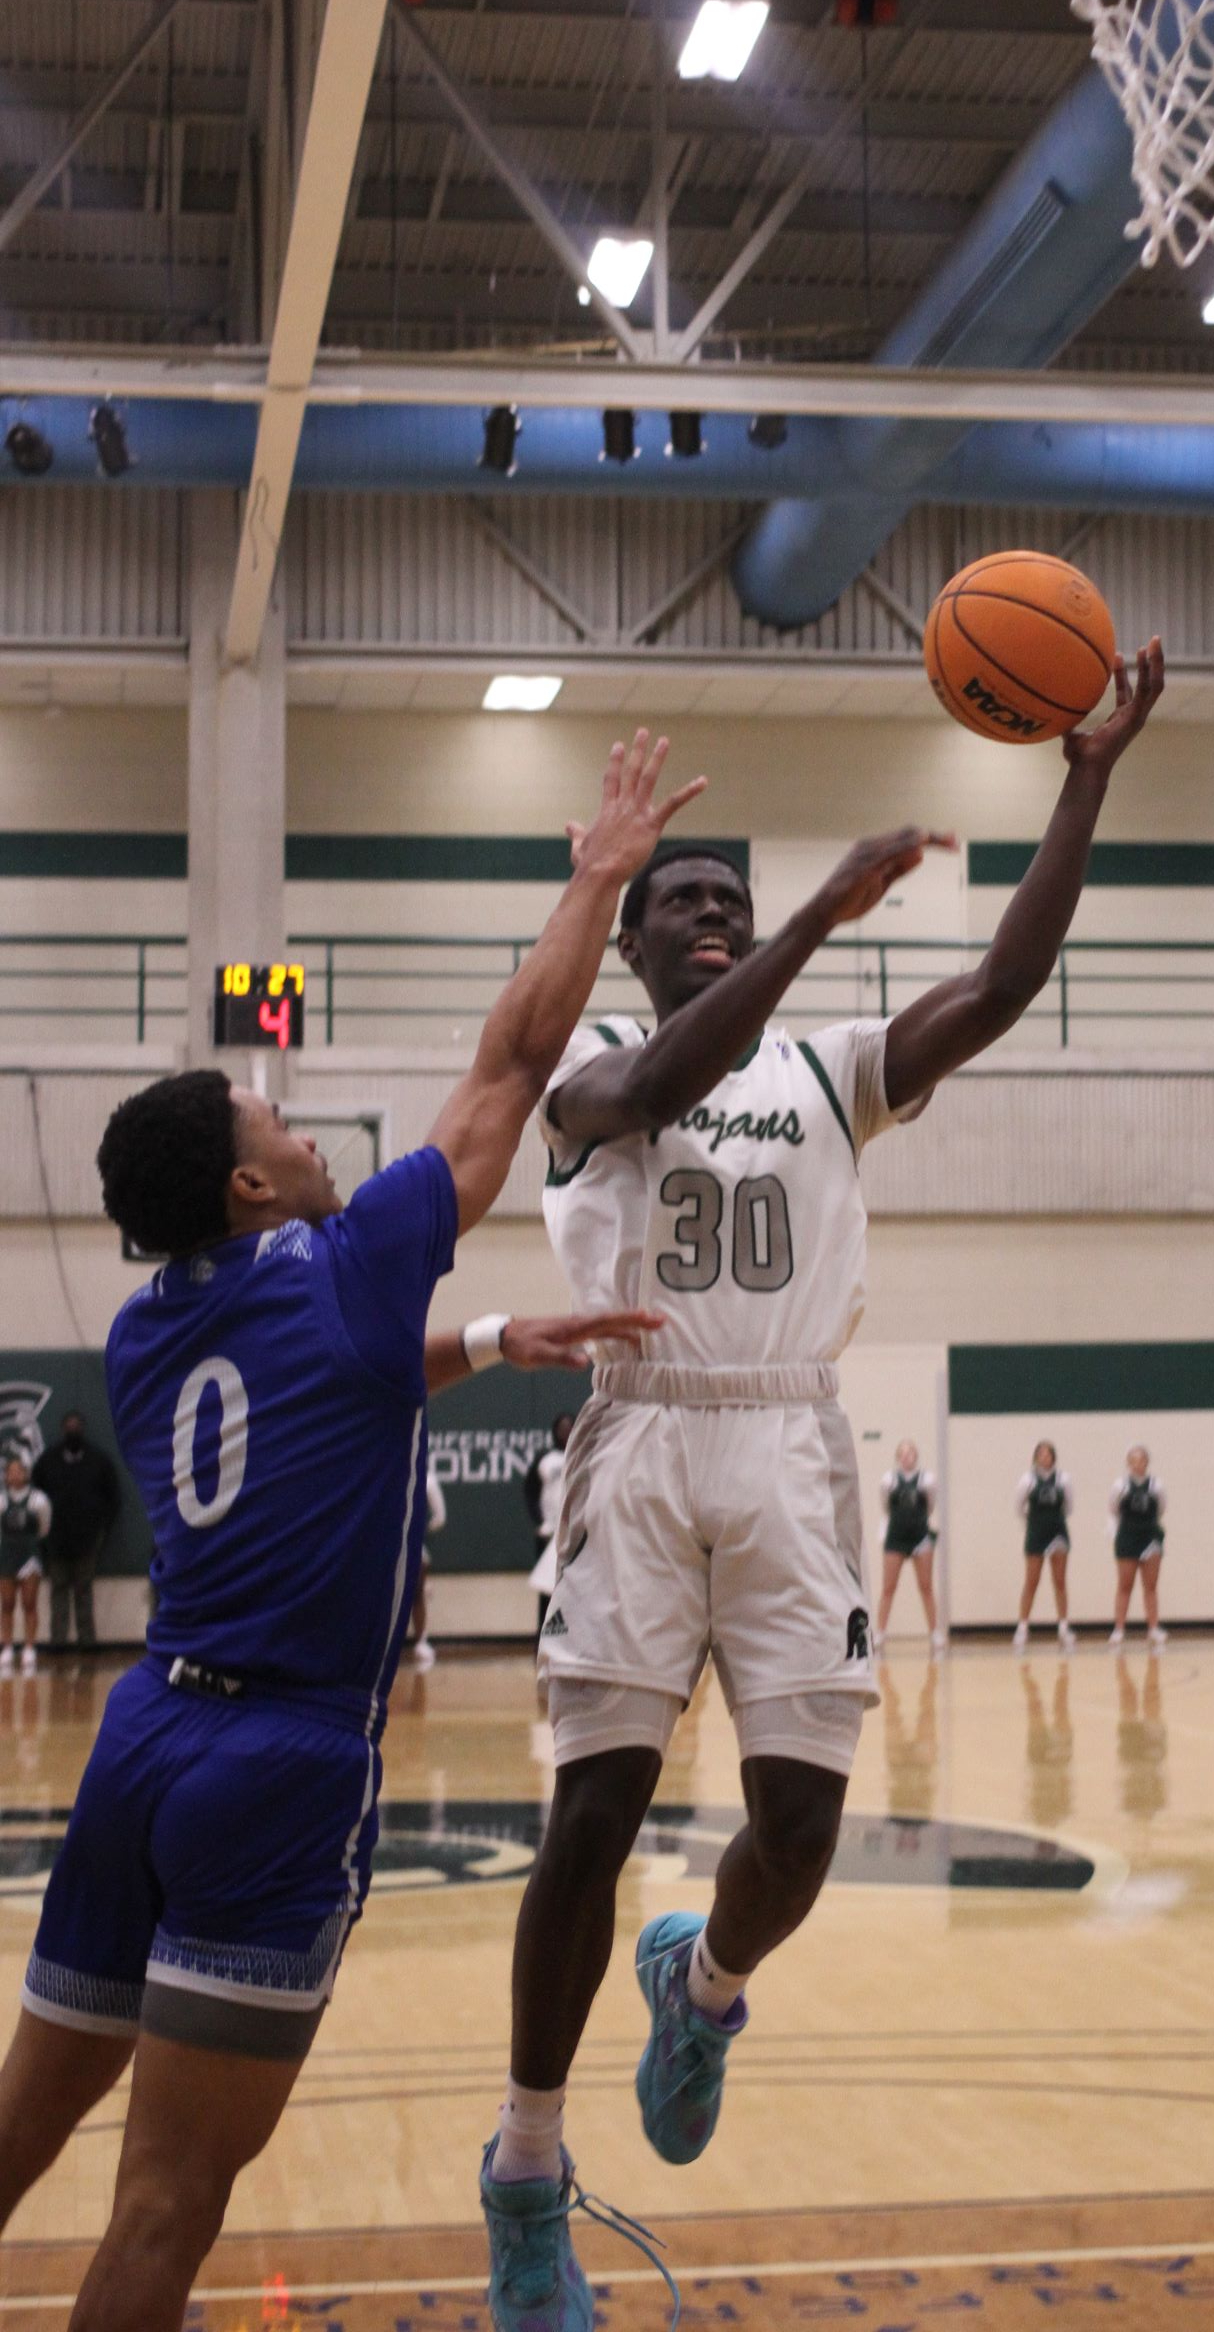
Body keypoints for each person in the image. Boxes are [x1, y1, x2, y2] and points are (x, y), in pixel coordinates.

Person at [481, 639, 1163, 2332]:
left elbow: (996, 989)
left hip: (790, 1438)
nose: (709, 911)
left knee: (797, 1828)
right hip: (639, 1435)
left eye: (735, 897)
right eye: (683, 902)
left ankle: (702, 1985)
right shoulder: (585, 1079)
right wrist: (804, 931)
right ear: (636, 936)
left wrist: (1082, 774)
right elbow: (659, 1079)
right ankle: (521, 2162)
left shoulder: (837, 1064)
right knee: (593, 1812)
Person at [0, 731, 697, 2332]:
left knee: (19, 2134)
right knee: (166, 2206)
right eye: (283, 1123)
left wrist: (482, 1339)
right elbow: (516, 1062)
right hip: (280, 1771)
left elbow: (323, 1381)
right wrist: (596, 878)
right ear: (251, 1190)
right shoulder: (356, 1257)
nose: (312, 1130)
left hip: (145, 1738)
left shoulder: (143, 1333)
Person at [33, 1413, 121, 1654]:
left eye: (77, 1426)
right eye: (69, 1426)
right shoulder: (48, 1460)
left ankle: (87, 1641)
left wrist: (102, 1529)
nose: (73, 1430)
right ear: (62, 1429)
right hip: (56, 1539)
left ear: (83, 1429)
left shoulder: (98, 1460)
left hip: (88, 1538)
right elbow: (35, 1497)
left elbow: (113, 1498)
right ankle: (58, 1642)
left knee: (84, 1590)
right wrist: (44, 1535)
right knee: (58, 1590)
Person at [874, 1440, 944, 1653]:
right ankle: (880, 1633)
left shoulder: (927, 1480)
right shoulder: (889, 1480)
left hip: (920, 1538)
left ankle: (934, 1633)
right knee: (888, 1588)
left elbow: (930, 1506)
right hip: (896, 1538)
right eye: (902, 1454)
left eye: (910, 1453)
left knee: (926, 1586)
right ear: (898, 1458)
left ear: (916, 1456)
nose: (907, 1457)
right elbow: (886, 1506)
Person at [1014, 1442, 1073, 1653]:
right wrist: (1033, 1523)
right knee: (1032, 1580)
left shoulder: (1063, 1479)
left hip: (1057, 1532)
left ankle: (1063, 1627)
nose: (1044, 1457)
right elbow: (1019, 1507)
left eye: (1048, 1454)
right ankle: (1022, 1627)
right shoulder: (1028, 1480)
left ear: (1053, 1457)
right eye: (1040, 1454)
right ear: (1035, 1457)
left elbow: (1069, 1506)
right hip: (1036, 1532)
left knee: (1059, 1581)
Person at [1109, 1445, 1167, 1647]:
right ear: (1128, 1463)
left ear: (1147, 1462)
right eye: (1133, 1460)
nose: (1137, 1464)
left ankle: (1153, 1628)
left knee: (1150, 1586)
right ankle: (1119, 1629)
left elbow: (1160, 1509)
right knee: (1125, 1585)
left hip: (1150, 1537)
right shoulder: (1120, 1486)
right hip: (1127, 1537)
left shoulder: (1156, 1486)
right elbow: (1114, 1510)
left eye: (1141, 1460)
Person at [525, 1409, 575, 1634]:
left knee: (575, 1588)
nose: (565, 1431)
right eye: (561, 1428)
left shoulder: (582, 1455)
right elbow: (530, 1492)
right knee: (548, 1590)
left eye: (569, 1427)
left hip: (575, 1535)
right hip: (548, 1536)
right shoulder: (544, 1460)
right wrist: (539, 1521)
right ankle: (543, 1640)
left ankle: (571, 1640)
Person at [0, 1457, 51, 1679]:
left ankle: (29, 1648)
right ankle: (8, 1647)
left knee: (29, 1602)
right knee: (7, 1603)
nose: (14, 1475)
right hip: (7, 1554)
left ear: (26, 1474)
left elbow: (44, 1528)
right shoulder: (1, 1500)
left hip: (29, 1555)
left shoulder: (38, 1499)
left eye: (18, 1471)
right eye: (10, 1472)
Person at [410, 1471, 448, 1672]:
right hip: (385, 1543)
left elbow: (439, 1517)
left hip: (414, 1544)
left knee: (418, 1590)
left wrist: (423, 1531)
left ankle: (421, 1641)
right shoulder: (386, 1472)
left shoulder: (427, 1479)